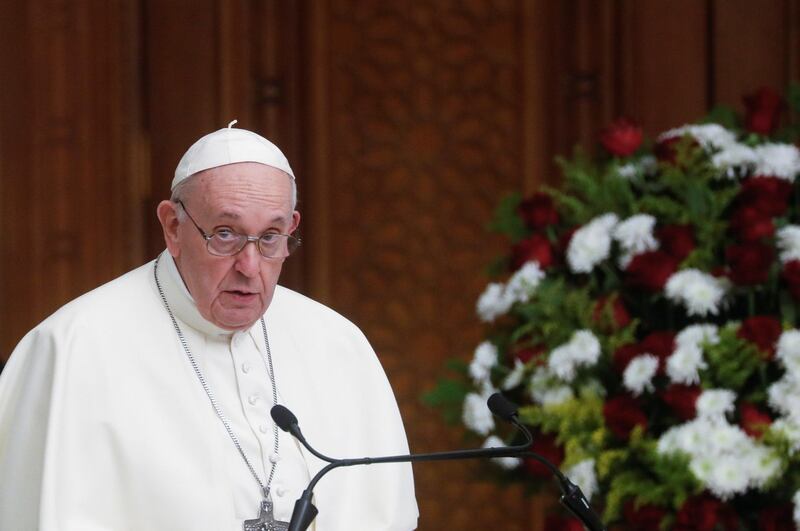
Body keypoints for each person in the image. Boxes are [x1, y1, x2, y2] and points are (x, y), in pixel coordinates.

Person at [0, 124, 419, 530]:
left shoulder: (338, 344)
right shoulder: (73, 347)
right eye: (224, 234)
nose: (249, 266)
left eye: (271, 237)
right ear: (172, 227)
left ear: (292, 227)